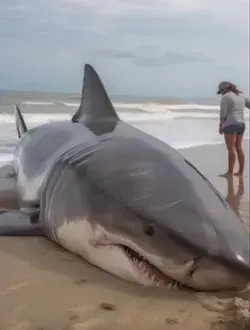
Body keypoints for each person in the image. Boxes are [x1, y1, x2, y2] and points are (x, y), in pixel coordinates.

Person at [217, 81, 250, 177]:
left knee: (231, 148)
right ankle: (240, 172)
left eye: (221, 91)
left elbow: (223, 113)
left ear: (225, 89)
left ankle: (230, 172)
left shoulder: (226, 97)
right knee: (239, 148)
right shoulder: (242, 95)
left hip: (230, 124)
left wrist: (220, 125)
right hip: (241, 124)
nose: (221, 94)